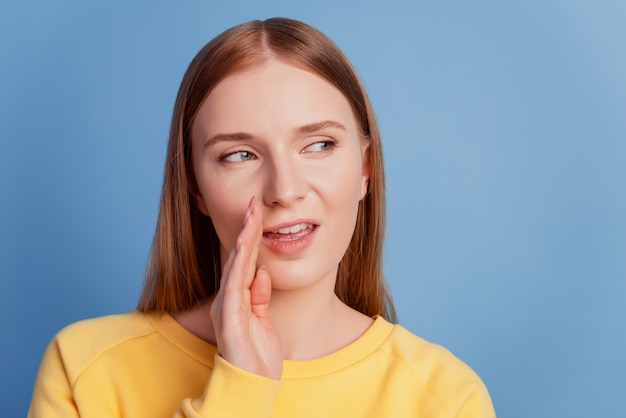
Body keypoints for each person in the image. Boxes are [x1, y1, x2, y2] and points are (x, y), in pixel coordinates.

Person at [28, 17, 495, 417]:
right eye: (240, 155)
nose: (285, 190)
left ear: (365, 171)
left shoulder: (445, 398)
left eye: (319, 145)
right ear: (195, 187)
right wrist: (240, 391)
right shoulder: (83, 369)